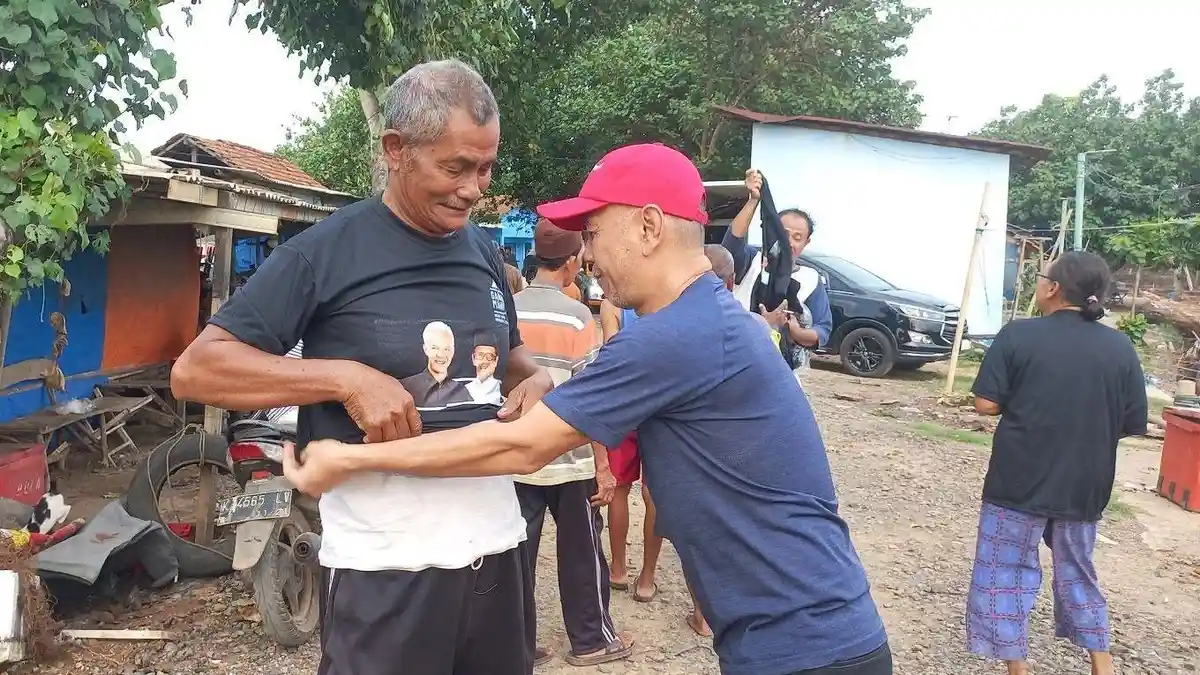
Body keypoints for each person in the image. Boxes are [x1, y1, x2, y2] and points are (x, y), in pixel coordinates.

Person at [283, 142, 894, 675]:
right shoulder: (703, 319)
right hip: (804, 635)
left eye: (595, 233)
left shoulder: (676, 335)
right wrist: (542, 379)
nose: (588, 254)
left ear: (649, 227)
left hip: (806, 648)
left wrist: (352, 461)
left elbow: (520, 446)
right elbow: (571, 393)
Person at [170, 59, 554, 675]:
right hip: (384, 568)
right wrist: (343, 377)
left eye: (485, 168)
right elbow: (197, 370)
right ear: (396, 150)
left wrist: (535, 376)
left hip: (497, 553)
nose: (473, 189)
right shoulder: (326, 252)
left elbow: (506, 355)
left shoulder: (483, 250)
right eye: (455, 168)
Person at [967, 251, 1147, 675]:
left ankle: (1018, 669)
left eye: (1042, 277)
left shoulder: (1019, 335)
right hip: (1084, 485)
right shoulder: (1119, 348)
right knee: (1077, 573)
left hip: (1018, 479)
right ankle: (1102, 665)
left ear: (1053, 288)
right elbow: (1131, 422)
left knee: (1004, 572)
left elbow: (985, 404)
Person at [512, 219, 633, 668]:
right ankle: (591, 640)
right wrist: (603, 465)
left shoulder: (509, 308)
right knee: (582, 554)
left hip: (517, 456)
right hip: (570, 457)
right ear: (570, 263)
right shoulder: (579, 316)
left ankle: (516, 647)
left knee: (515, 555)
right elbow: (591, 396)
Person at [722, 169, 832, 371]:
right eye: (783, 233)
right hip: (736, 361)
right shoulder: (751, 261)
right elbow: (731, 243)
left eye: (797, 237)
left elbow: (822, 330)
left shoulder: (811, 279)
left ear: (806, 242)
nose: (788, 242)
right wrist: (753, 201)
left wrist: (796, 331)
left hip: (781, 370)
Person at [598, 298, 663, 604]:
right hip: (661, 407)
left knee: (620, 490)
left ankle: (618, 569)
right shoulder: (668, 300)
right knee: (654, 494)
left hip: (624, 404)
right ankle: (647, 579)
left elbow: (613, 353)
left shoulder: (612, 306)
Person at [400, 321, 473, 407]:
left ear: (453, 351)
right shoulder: (405, 388)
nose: (441, 355)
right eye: (435, 348)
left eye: (446, 349)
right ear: (426, 349)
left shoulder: (462, 392)